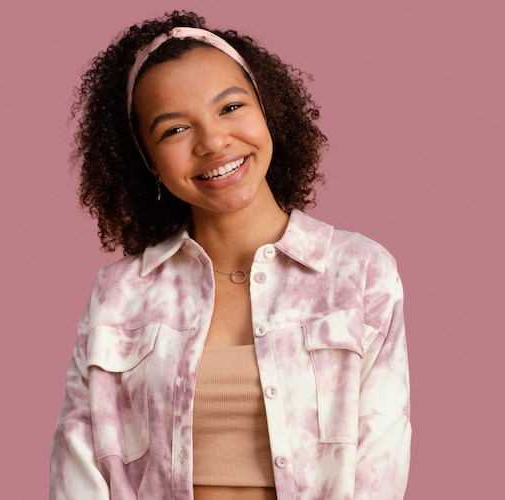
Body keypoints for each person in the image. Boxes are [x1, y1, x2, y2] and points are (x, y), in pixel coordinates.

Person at [50, 10, 411, 500]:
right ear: (149, 161)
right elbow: (79, 467)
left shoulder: (359, 272)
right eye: (174, 130)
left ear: (267, 111)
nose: (214, 141)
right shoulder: (119, 295)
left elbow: (379, 462)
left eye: (230, 107)